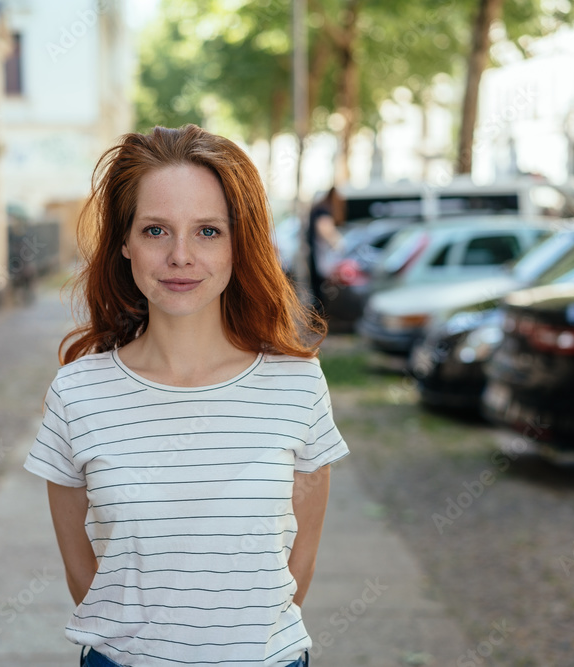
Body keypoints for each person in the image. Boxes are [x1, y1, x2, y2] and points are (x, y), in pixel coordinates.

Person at [23, 124, 349, 666]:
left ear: (239, 242)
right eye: (155, 230)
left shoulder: (297, 385)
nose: (180, 256)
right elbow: (84, 576)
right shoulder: (77, 393)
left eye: (207, 231)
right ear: (123, 241)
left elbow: (298, 568)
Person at [306, 188, 345, 315]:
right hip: (319, 256)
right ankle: (319, 319)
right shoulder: (323, 210)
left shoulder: (318, 208)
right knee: (319, 292)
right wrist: (338, 243)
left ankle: (317, 318)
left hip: (314, 255)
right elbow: (326, 231)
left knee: (316, 291)